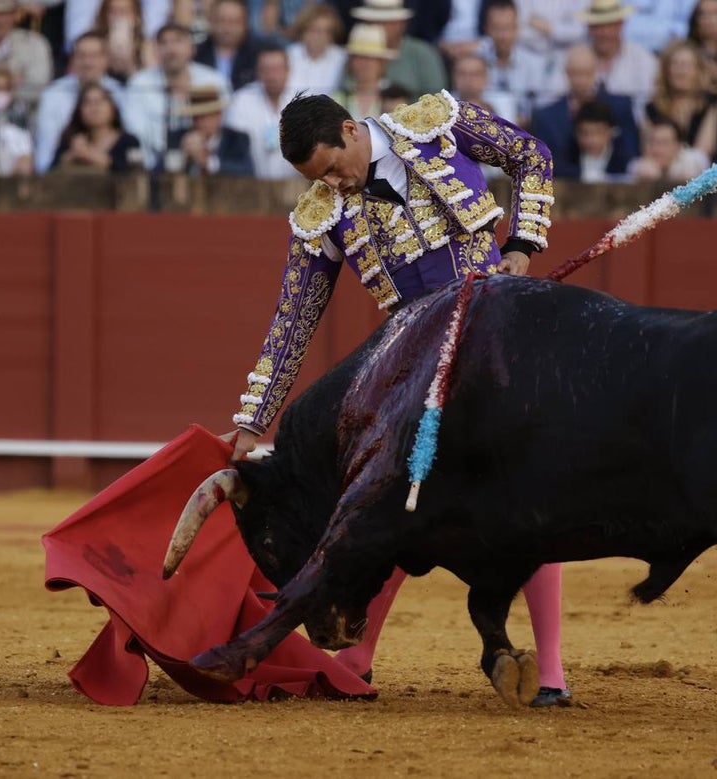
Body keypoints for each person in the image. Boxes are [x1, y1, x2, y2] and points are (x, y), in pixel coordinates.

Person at [230, 90, 571, 707]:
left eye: (334, 167)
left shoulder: (434, 125)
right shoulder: (321, 214)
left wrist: (522, 245)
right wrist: (253, 421)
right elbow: (293, 320)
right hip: (416, 363)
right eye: (318, 179)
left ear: (349, 130)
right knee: (385, 502)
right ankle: (356, 661)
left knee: (530, 501)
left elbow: (531, 155)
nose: (334, 184)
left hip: (494, 337)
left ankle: (552, 674)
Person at [124, 22, 229, 169]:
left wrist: (202, 150)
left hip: (211, 161)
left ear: (192, 48)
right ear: (156, 50)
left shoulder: (214, 80)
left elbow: (224, 125)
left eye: (178, 41)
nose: (171, 49)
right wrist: (178, 147)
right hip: (153, 165)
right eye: (164, 43)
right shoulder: (140, 83)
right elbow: (135, 132)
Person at [532, 44, 641, 178]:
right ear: (566, 72)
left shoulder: (620, 108)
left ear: (595, 71)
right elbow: (544, 164)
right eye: (575, 73)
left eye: (586, 73)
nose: (580, 80)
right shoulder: (545, 117)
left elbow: (631, 154)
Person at [35, 32, 127, 173]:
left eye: (94, 56)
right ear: (73, 59)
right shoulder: (53, 94)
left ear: (106, 59)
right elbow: (46, 149)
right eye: (81, 56)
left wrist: (96, 156)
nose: (87, 63)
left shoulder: (120, 94)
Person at [475, 0, 560, 125]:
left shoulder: (534, 64)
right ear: (486, 29)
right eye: (497, 28)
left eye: (507, 28)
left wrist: (527, 119)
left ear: (517, 28)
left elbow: (542, 107)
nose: (502, 35)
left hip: (525, 131)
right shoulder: (475, 62)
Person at [222, 43, 296, 178]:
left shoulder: (302, 100)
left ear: (287, 71)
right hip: (252, 186)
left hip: (295, 189)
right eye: (266, 70)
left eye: (277, 69)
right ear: (258, 72)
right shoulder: (241, 100)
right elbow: (236, 151)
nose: (272, 76)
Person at [645, 39, 717, 162]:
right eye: (675, 64)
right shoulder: (652, 107)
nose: (680, 70)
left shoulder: (712, 102)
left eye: (686, 65)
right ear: (666, 70)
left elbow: (702, 154)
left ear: (698, 71)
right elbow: (649, 151)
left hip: (703, 175)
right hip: (661, 173)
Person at [350, 0, 447, 97]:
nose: (378, 27)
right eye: (372, 22)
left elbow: (436, 96)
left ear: (401, 24)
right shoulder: (356, 53)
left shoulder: (423, 53)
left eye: (384, 22)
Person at [579, 0, 658, 116]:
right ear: (589, 28)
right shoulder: (576, 59)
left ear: (621, 25)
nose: (604, 33)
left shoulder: (643, 59)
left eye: (609, 26)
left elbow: (649, 101)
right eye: (598, 26)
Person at [52, 82, 144, 172]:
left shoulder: (130, 141)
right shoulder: (70, 139)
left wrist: (101, 159)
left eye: (100, 102)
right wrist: (71, 156)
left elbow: (138, 172)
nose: (94, 108)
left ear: (112, 109)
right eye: (87, 103)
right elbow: (48, 172)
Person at [176, 84, 254, 174]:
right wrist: (183, 157)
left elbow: (247, 170)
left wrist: (208, 162)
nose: (203, 122)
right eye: (198, 117)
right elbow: (159, 169)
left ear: (219, 115)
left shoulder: (236, 139)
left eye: (209, 116)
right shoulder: (179, 136)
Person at [194, 0, 267, 93]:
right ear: (211, 21)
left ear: (245, 23)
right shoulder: (196, 54)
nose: (227, 28)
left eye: (233, 22)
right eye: (221, 20)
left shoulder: (259, 54)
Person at [335, 22, 396, 119]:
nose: (365, 64)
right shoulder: (337, 99)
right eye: (360, 58)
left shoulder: (396, 99)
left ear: (381, 63)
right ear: (351, 62)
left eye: (371, 58)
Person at [284, 2, 347, 95]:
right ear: (302, 31)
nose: (318, 37)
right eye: (314, 30)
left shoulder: (342, 59)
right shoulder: (287, 55)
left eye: (325, 32)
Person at [93, 0, 157, 83]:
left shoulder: (146, 45)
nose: (118, 17)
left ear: (135, 16)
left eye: (124, 11)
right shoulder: (94, 43)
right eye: (113, 12)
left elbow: (152, 80)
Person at [628, 117, 709, 181]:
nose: (656, 149)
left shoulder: (692, 162)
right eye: (653, 142)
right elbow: (633, 167)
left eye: (664, 143)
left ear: (678, 146)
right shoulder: (640, 167)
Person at [574, 98, 632, 181]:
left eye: (597, 132)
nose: (590, 140)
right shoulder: (566, 159)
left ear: (610, 132)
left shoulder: (624, 160)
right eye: (585, 133)